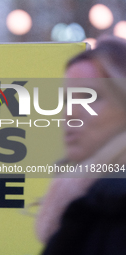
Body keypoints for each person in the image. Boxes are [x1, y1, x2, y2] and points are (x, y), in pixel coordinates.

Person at [36, 36, 126, 255]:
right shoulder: (87, 201)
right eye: (66, 100)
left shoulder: (115, 212)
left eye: (88, 97)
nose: (69, 114)